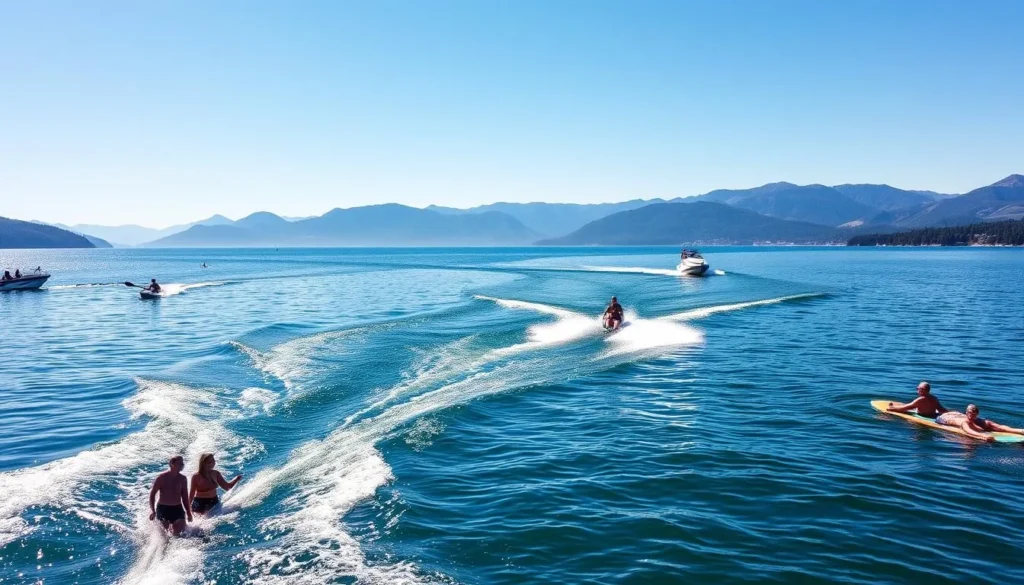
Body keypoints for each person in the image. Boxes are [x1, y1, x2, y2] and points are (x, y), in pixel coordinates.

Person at [149, 455, 192, 536]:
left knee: (179, 535)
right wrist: (153, 511)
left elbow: (185, 497)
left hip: (177, 508)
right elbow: (152, 494)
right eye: (180, 463)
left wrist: (188, 512)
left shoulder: (183, 479)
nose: (182, 465)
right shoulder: (162, 478)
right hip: (163, 509)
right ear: (172, 464)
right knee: (164, 537)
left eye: (182, 463)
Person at [935, 404, 1024, 443]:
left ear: (977, 414)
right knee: (969, 425)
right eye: (970, 413)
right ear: (967, 413)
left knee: (989, 423)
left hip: (956, 414)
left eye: (974, 414)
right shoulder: (964, 421)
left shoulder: (977, 419)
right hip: (943, 418)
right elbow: (968, 431)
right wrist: (983, 436)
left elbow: (999, 427)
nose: (972, 415)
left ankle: (1020, 431)